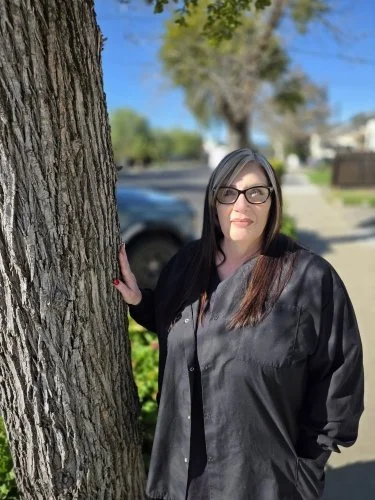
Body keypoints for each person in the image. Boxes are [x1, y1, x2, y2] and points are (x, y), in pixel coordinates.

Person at [113, 148, 364, 500]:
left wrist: (305, 472)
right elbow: (184, 326)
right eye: (228, 193)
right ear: (213, 202)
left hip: (261, 483)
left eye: (255, 192)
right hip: (180, 479)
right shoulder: (186, 264)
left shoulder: (310, 278)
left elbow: (340, 380)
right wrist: (140, 300)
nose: (241, 206)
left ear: (272, 201)